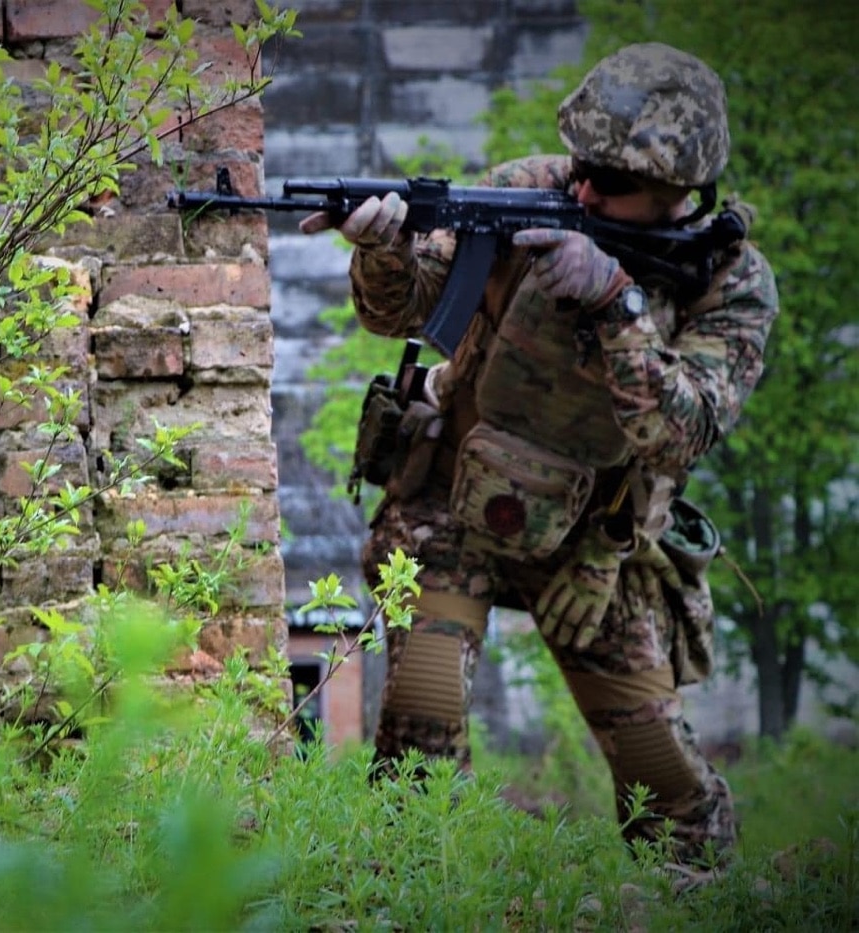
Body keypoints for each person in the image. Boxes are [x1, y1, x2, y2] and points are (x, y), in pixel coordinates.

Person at [298, 42, 778, 882]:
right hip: (451, 500)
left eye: (611, 182)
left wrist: (612, 300)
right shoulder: (532, 192)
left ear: (681, 195)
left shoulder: (728, 283)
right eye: (583, 166)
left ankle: (698, 905)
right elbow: (403, 309)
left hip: (598, 543)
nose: (582, 189)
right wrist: (379, 249)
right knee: (424, 724)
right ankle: (413, 893)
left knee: (666, 787)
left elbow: (682, 428)